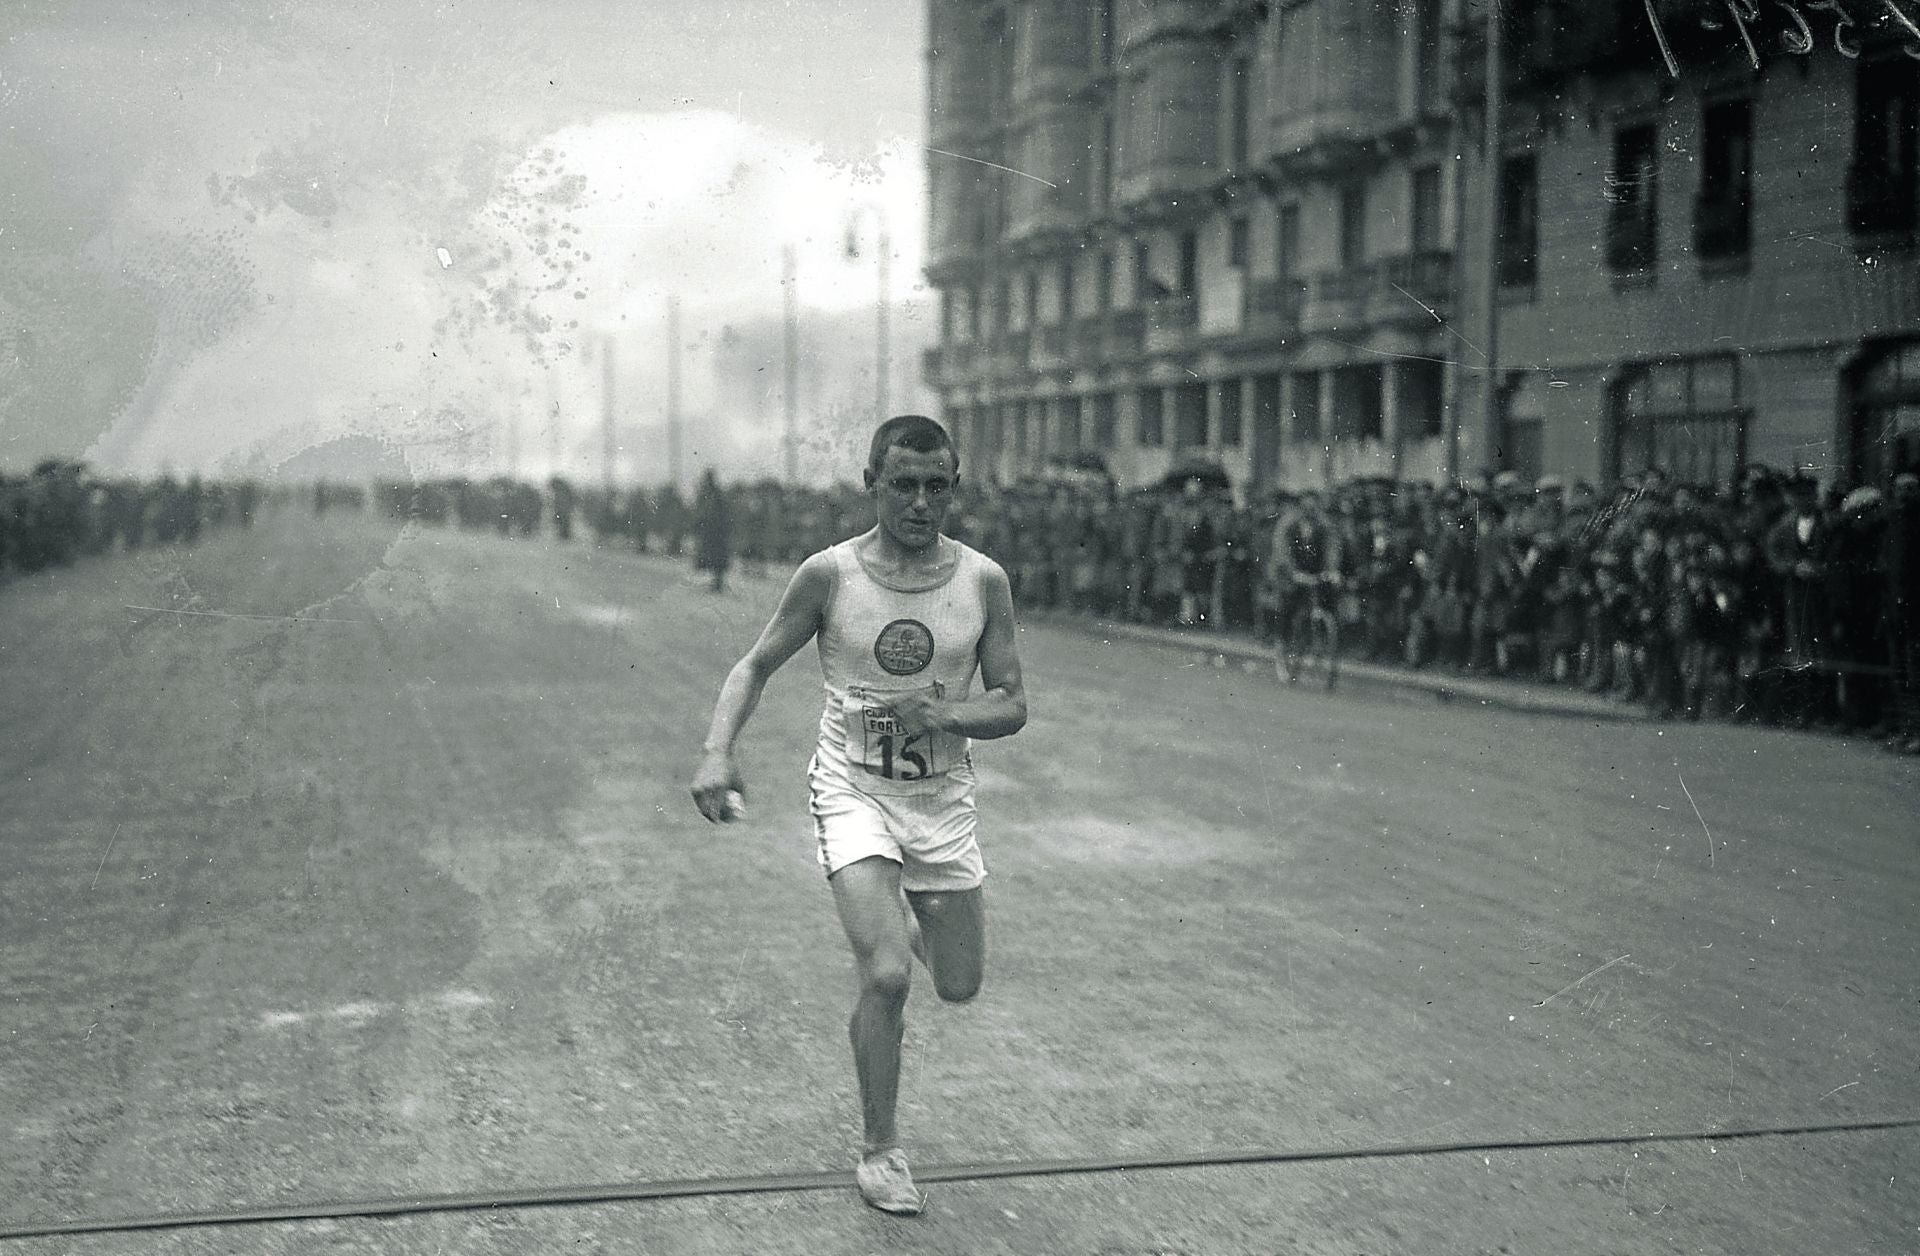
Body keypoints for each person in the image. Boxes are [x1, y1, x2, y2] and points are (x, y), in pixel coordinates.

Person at [689, 415, 1028, 1216]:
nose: (918, 502)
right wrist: (716, 751)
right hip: (853, 791)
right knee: (886, 975)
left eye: (935, 486)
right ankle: (881, 1152)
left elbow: (1013, 703)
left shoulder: (983, 581)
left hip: (939, 803)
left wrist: (944, 717)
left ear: (953, 487)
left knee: (959, 984)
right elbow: (755, 663)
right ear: (872, 483)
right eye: (902, 484)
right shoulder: (829, 575)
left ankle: (913, 924)